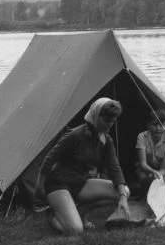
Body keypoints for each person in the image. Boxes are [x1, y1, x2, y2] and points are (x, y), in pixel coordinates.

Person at [35, 97, 130, 235]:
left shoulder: (106, 140)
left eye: (113, 120)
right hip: (59, 185)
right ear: (96, 117)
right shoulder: (74, 135)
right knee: (76, 230)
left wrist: (122, 197)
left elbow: (114, 168)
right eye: (106, 120)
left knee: (125, 191)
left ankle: (80, 211)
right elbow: (49, 159)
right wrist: (39, 186)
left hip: (81, 183)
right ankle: (53, 216)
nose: (110, 125)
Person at [135, 109, 165, 205]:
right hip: (147, 169)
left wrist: (156, 176)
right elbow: (143, 163)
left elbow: (163, 170)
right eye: (154, 124)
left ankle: (160, 188)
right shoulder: (142, 137)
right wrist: (152, 173)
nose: (158, 128)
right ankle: (147, 190)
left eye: (161, 125)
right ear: (148, 125)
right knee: (143, 177)